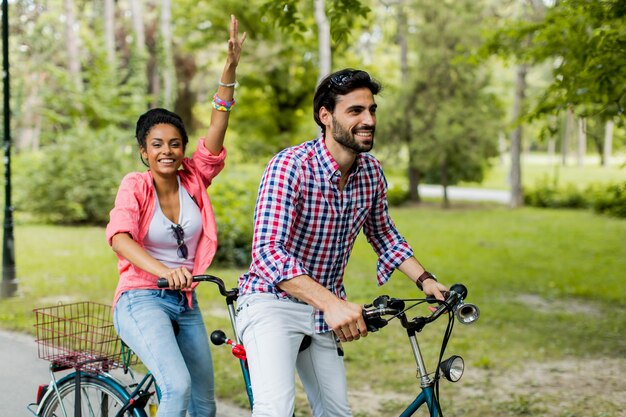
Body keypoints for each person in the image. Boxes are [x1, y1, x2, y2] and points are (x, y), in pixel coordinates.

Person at [236, 68, 450, 417]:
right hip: (270, 302)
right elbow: (267, 253)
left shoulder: (370, 172)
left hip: (323, 312)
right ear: (325, 116)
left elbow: (382, 233)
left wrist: (425, 280)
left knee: (337, 414)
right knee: (275, 410)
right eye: (355, 111)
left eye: (372, 110)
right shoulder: (290, 166)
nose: (369, 119)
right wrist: (331, 303)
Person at [105, 16, 246, 417]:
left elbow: (218, 125)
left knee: (205, 405)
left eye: (175, 143)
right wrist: (164, 271)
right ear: (144, 152)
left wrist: (229, 71)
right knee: (178, 389)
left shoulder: (193, 178)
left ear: (183, 148)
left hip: (185, 302)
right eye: (157, 144)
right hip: (141, 299)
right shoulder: (135, 185)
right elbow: (120, 237)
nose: (167, 150)